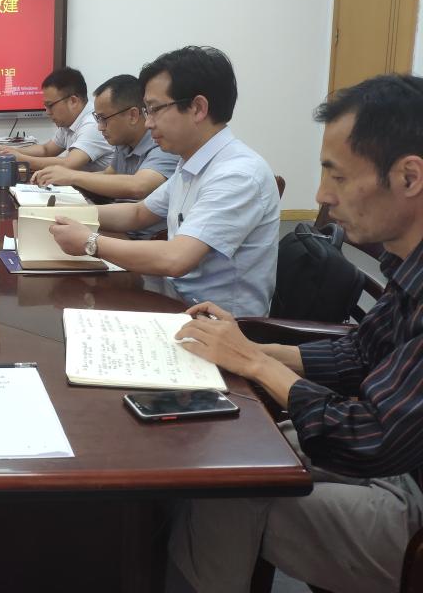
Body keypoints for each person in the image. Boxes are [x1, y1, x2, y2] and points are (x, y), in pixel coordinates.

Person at [167, 74, 423, 593]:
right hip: (393, 456)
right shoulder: (407, 262)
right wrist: (248, 348)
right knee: (221, 444)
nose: (322, 196)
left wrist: (256, 363)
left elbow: (369, 440)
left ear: (409, 177)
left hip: (409, 503)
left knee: (223, 485)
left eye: (338, 176)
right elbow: (360, 353)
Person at [49, 47, 279, 317]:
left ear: (197, 108)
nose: (148, 123)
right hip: (175, 301)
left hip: (218, 324)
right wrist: (62, 213)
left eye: (155, 110)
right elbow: (138, 213)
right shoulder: (190, 162)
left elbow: (175, 258)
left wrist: (90, 241)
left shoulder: (237, 174)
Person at [32, 73, 179, 200]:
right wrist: (62, 179)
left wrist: (71, 176)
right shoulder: (124, 141)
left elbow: (138, 186)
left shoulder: (162, 143)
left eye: (104, 119)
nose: (100, 127)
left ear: (133, 115)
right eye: (98, 119)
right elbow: (109, 174)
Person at [0, 67, 113, 172]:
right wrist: (12, 151)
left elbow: (68, 164)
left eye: (50, 105)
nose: (47, 112)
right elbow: (46, 150)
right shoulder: (69, 121)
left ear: (73, 101)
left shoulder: (92, 124)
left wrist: (19, 158)